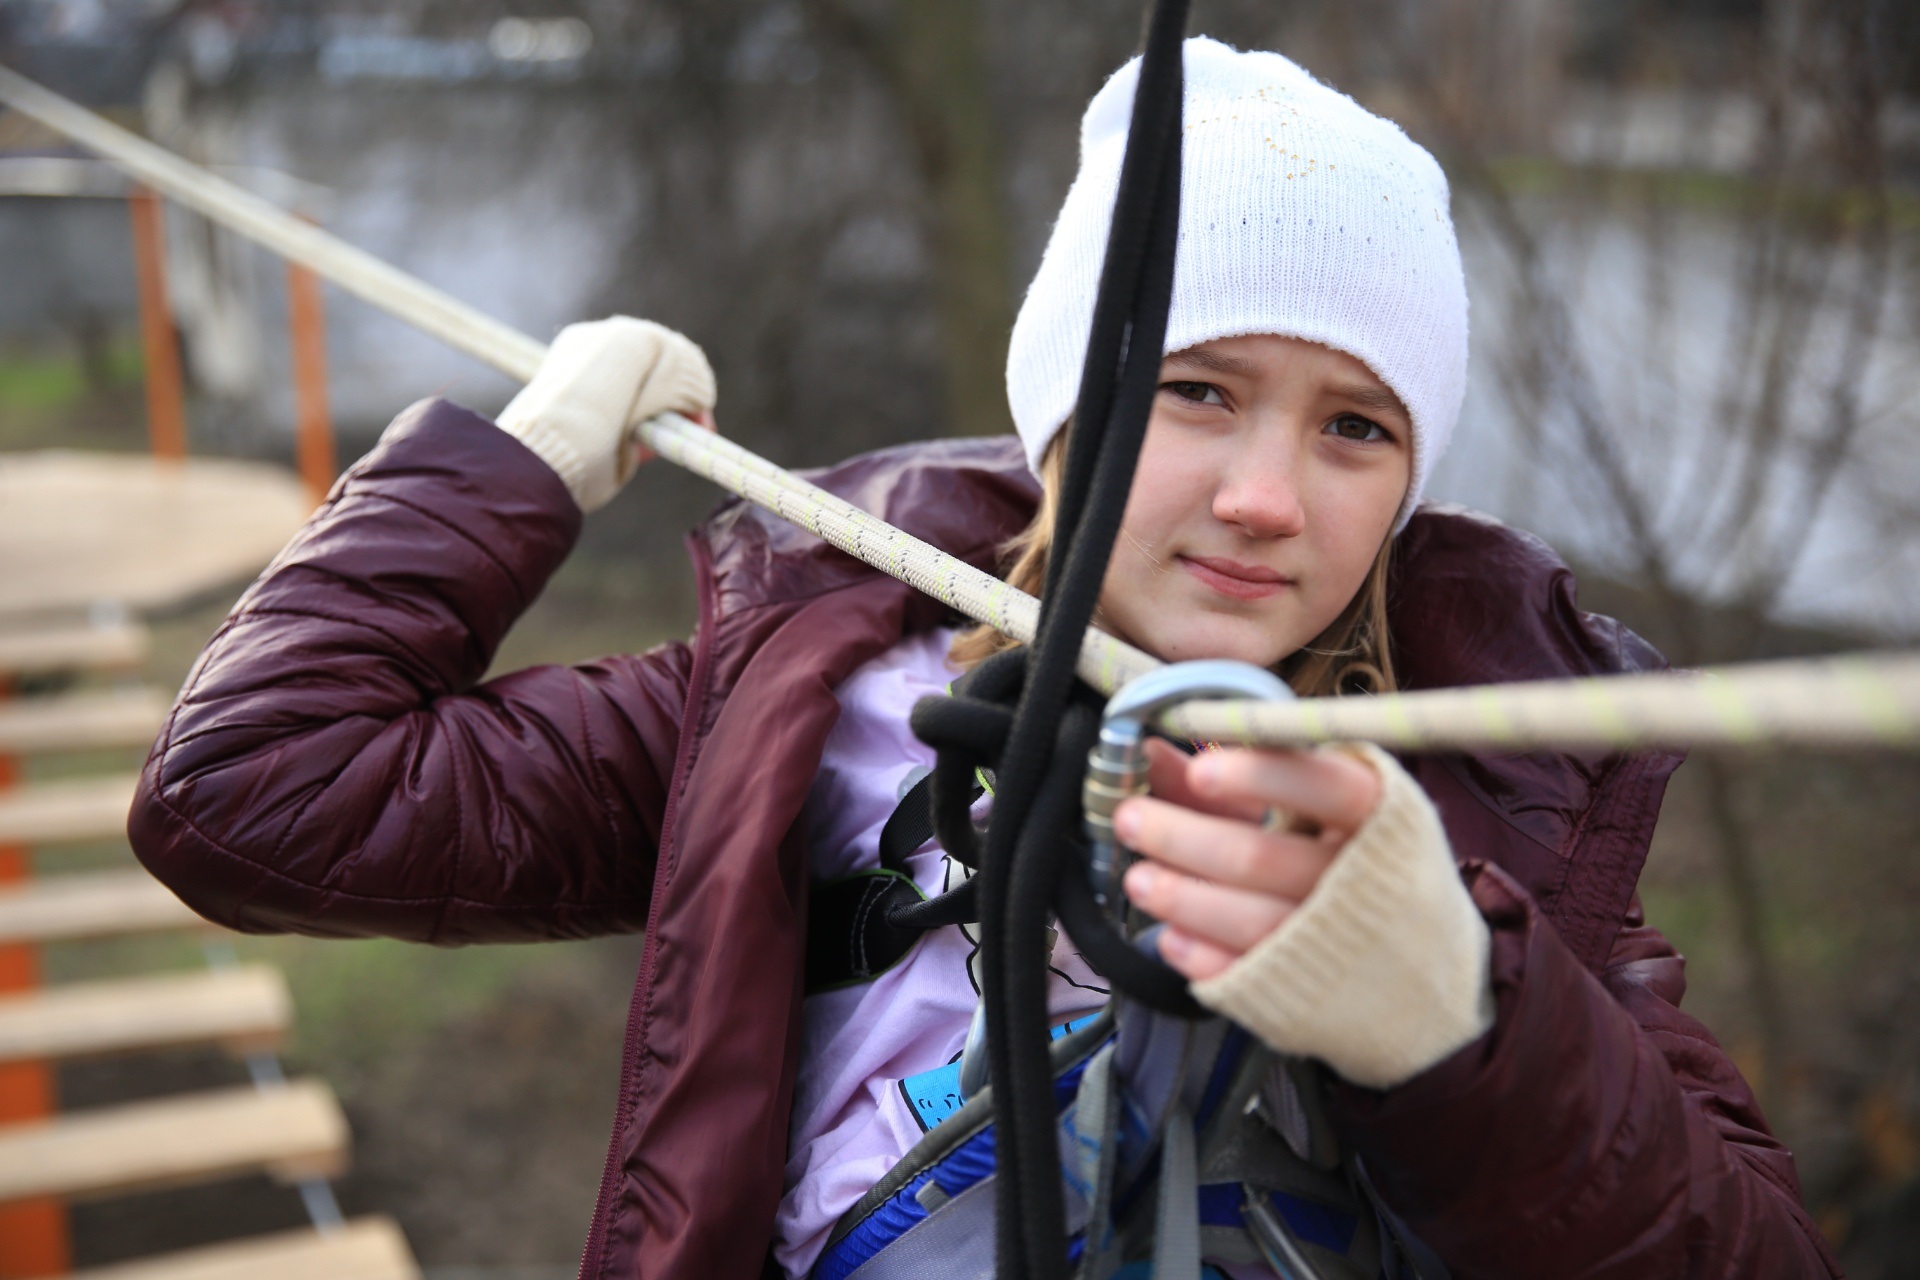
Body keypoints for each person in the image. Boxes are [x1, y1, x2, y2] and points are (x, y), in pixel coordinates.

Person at [129, 37, 1835, 1280]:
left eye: (1356, 428)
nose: (1266, 499)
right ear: (1062, 413)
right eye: (1197, 389)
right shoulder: (793, 713)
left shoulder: (1484, 822)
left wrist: (1464, 1017)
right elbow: (251, 797)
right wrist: (517, 471)